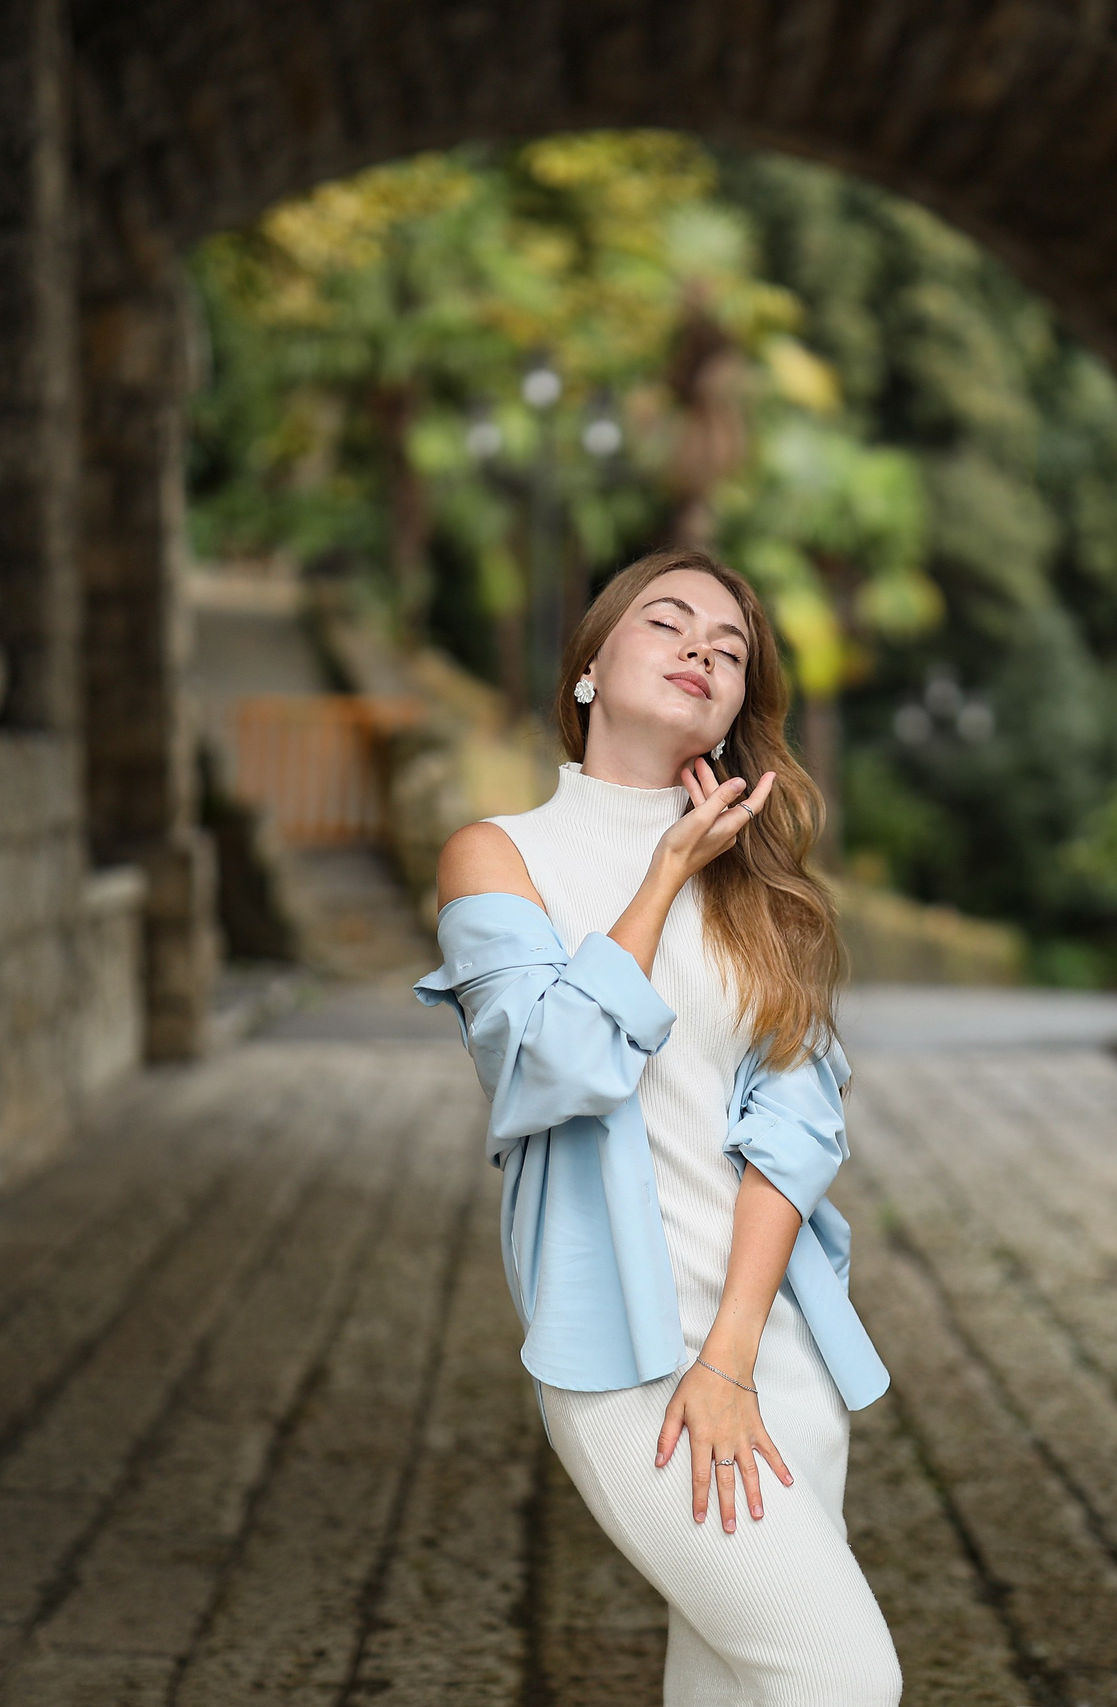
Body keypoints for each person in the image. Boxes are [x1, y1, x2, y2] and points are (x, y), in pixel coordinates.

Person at [415, 547, 901, 1705]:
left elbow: (797, 1133)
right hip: (624, 1358)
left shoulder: (761, 888)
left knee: (734, 1685)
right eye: (668, 624)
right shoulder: (500, 856)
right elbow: (552, 1065)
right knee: (842, 1681)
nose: (702, 652)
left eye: (729, 651)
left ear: (736, 709)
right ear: (590, 666)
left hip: (765, 1354)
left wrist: (733, 1355)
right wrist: (664, 874)